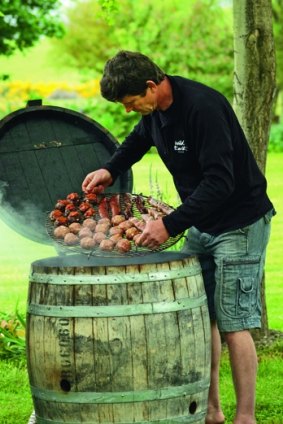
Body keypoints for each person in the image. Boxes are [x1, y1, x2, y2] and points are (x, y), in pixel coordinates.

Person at [82, 50, 275, 424]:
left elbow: (221, 181)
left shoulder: (202, 108)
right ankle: (213, 412)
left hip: (239, 223)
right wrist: (110, 168)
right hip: (202, 223)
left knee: (234, 322)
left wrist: (170, 224)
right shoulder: (156, 113)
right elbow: (138, 140)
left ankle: (246, 417)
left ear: (151, 86)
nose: (127, 110)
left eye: (130, 102)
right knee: (202, 319)